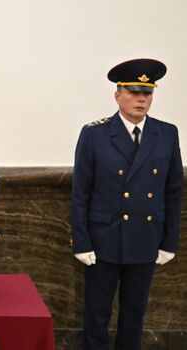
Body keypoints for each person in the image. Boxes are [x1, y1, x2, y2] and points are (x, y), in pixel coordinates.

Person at [71, 58, 183, 349]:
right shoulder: (95, 134)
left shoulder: (167, 133)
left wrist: (169, 241)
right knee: (97, 314)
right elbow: (80, 192)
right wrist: (81, 241)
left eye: (147, 93)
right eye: (134, 92)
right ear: (117, 94)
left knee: (134, 314)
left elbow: (173, 191)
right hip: (103, 239)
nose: (141, 99)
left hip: (146, 237)